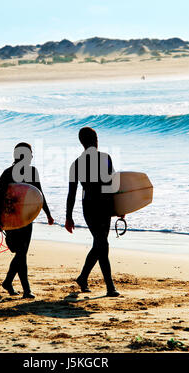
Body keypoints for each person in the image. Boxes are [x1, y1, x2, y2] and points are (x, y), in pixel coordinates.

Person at [0, 142, 54, 299]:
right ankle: (24, 289)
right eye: (30, 153)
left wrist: (47, 213)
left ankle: (10, 283)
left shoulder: (19, 172)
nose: (32, 156)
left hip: (24, 218)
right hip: (15, 219)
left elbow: (39, 195)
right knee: (21, 252)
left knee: (22, 252)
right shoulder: (12, 173)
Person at [65, 127, 120, 297]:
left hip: (89, 206)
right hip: (103, 206)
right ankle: (109, 287)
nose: (96, 140)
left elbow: (72, 194)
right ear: (94, 140)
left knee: (101, 243)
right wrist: (119, 208)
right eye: (95, 137)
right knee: (102, 243)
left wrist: (69, 217)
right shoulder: (105, 158)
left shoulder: (76, 164)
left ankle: (83, 278)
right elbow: (113, 186)